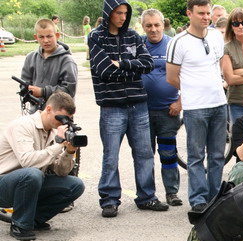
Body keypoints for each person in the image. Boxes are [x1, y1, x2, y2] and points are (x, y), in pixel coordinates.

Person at [89, 0, 169, 218]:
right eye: (118, 13)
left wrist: (122, 64)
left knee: (144, 153)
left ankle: (147, 197)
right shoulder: (96, 37)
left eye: (125, 13)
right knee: (111, 155)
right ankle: (109, 200)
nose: (122, 17)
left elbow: (148, 63)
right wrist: (132, 67)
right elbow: (104, 70)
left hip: (138, 105)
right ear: (108, 13)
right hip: (111, 107)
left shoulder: (133, 37)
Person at [166, 0, 228, 211]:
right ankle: (199, 200)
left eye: (208, 13)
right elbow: (172, 77)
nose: (206, 17)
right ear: (189, 14)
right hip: (195, 108)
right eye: (201, 13)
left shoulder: (216, 36)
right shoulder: (178, 41)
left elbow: (218, 65)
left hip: (219, 104)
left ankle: (215, 197)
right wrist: (192, 92)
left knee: (217, 156)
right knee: (196, 156)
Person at [0, 92, 85, 241]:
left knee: (75, 185)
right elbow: (28, 161)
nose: (62, 123)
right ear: (49, 109)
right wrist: (58, 145)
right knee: (32, 174)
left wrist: (69, 152)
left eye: (67, 120)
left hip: (29, 184)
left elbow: (61, 171)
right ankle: (20, 224)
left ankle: (33, 219)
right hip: (4, 184)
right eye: (60, 118)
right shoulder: (23, 125)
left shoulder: (53, 132)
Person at [141, 8, 183, 207]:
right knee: (145, 155)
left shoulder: (172, 45)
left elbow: (187, 76)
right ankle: (148, 195)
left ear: (163, 24)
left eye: (157, 25)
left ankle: (172, 192)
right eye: (149, 25)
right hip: (142, 112)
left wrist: (180, 102)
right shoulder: (138, 45)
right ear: (143, 27)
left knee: (168, 153)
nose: (153, 29)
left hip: (169, 110)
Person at [21, 19, 78, 112]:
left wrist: (42, 92)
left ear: (57, 35)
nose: (46, 40)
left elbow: (69, 90)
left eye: (49, 36)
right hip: (34, 114)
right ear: (36, 37)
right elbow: (24, 83)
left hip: (59, 115)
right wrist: (28, 93)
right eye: (41, 37)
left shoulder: (67, 60)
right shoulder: (30, 58)